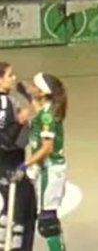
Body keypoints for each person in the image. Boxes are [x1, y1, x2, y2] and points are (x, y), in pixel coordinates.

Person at [25, 73, 69, 251]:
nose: (31, 88)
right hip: (51, 169)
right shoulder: (47, 110)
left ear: (43, 92)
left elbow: (46, 148)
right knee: (48, 218)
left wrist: (25, 164)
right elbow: (40, 113)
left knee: (46, 220)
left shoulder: (47, 116)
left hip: (48, 170)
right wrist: (29, 96)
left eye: (35, 86)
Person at [0, 63, 36, 251]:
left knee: (13, 208)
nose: (14, 78)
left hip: (9, 162)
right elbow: (4, 140)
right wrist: (19, 122)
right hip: (10, 163)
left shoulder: (8, 100)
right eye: (9, 75)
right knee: (21, 212)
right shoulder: (4, 102)